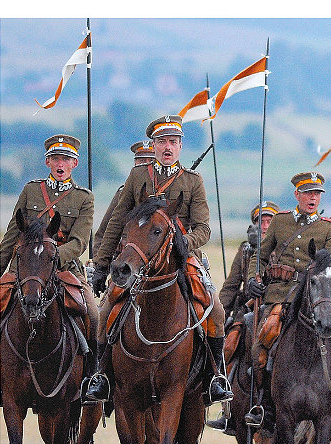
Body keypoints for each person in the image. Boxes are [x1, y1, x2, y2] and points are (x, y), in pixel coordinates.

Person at [86, 115, 232, 406]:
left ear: (180, 147)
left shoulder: (192, 181)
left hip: (181, 257)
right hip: (140, 259)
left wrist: (184, 243)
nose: (168, 147)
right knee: (107, 308)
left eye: (173, 142)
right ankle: (101, 375)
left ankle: (216, 376)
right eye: (163, 141)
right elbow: (117, 221)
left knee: (215, 309)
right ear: (153, 145)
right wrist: (102, 265)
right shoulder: (138, 177)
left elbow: (203, 228)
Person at [244, 172, 331, 431]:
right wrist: (253, 277)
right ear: (297, 194)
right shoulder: (281, 221)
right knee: (264, 337)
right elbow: (260, 256)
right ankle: (263, 403)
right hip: (282, 294)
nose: (313, 198)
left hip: (318, 294)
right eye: (308, 193)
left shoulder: (329, 228)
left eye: (317, 194)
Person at [0, 134, 99, 387]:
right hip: (24, 269)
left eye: (65, 159)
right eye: (55, 158)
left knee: (93, 312)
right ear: (47, 162)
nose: (60, 164)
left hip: (64, 268)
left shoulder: (84, 198)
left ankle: (92, 377)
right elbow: (12, 234)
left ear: (74, 163)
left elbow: (79, 242)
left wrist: (52, 258)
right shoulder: (31, 190)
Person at [205, 200, 279, 433]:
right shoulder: (246, 250)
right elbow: (231, 285)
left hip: (276, 306)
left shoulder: (284, 246)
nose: (265, 226)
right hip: (247, 309)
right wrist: (218, 312)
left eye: (269, 221)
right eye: (261, 221)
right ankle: (227, 407)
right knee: (228, 346)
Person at [93, 141, 154, 254]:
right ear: (135, 163)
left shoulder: (162, 194)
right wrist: (98, 259)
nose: (145, 165)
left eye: (151, 161)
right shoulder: (123, 193)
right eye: (141, 161)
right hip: (122, 255)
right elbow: (102, 233)